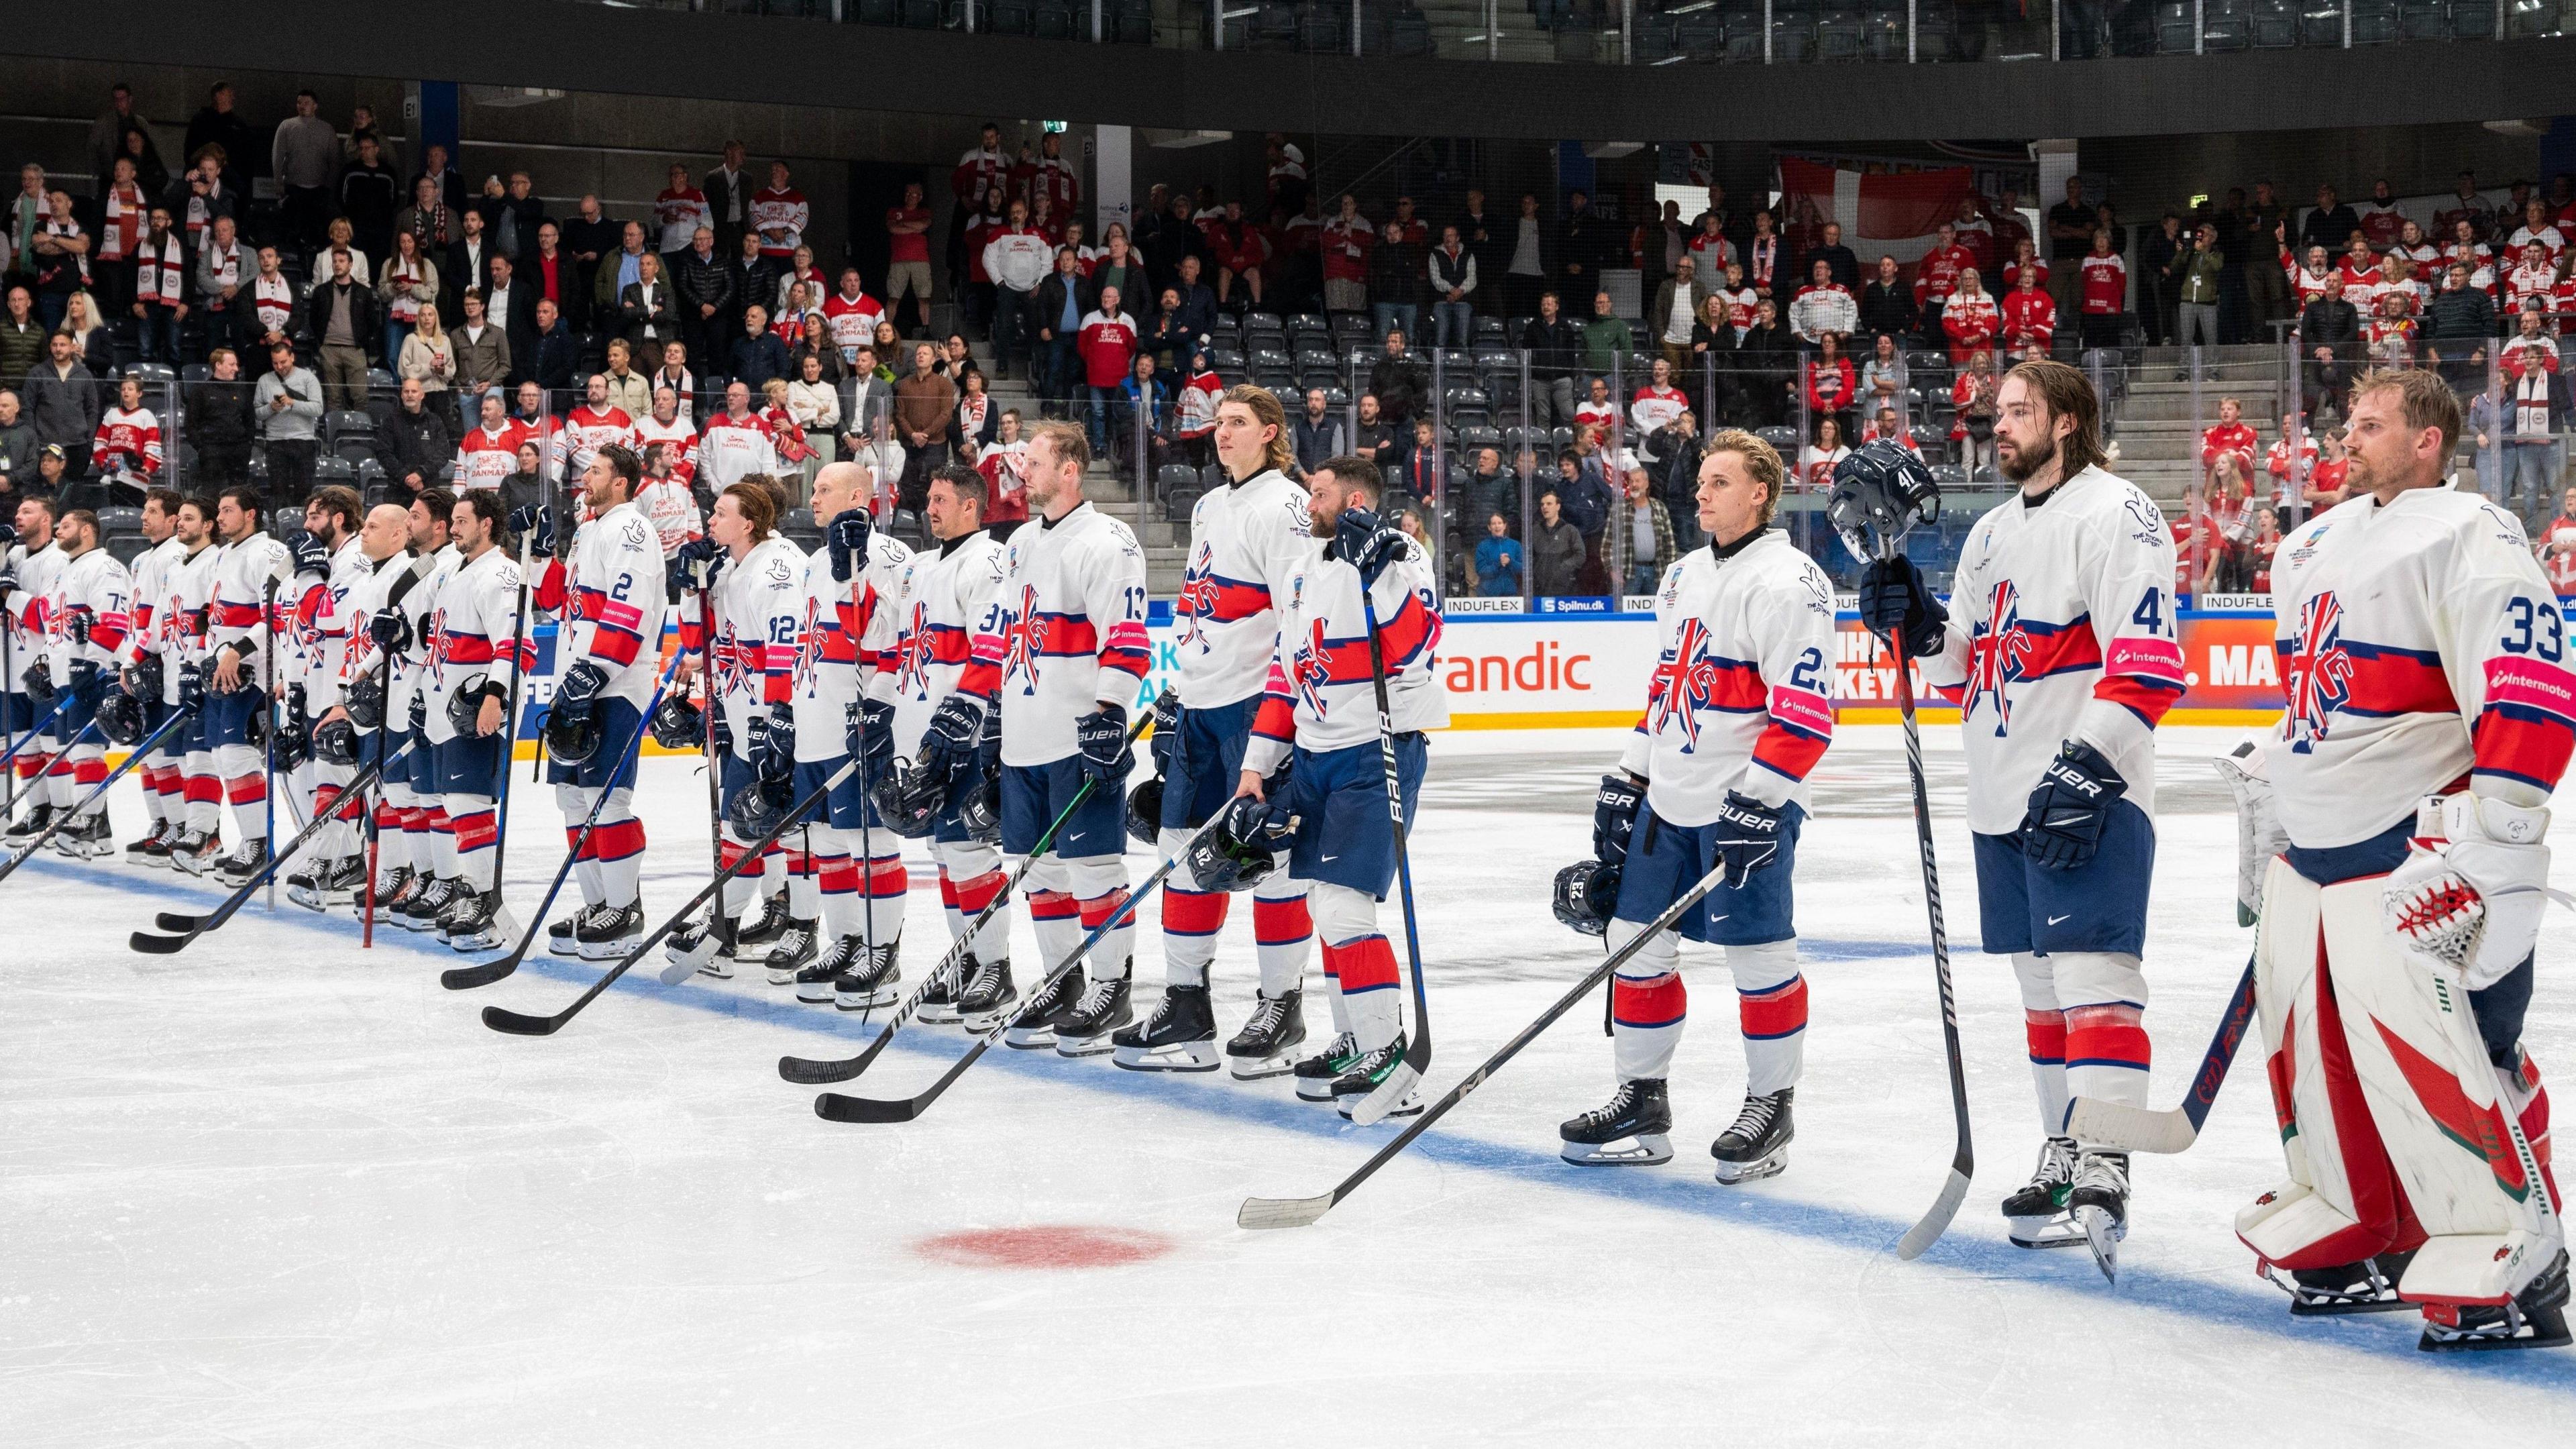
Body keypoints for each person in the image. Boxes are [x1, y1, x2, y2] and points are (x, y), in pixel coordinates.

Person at [2234, 367, 2573, 1348]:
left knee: (2463, 1054)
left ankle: (2519, 1252)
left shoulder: (2470, 532)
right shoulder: (2309, 546)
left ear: (2429, 440)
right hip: (2320, 846)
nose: (2349, 437)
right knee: (2324, 1058)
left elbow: (2526, 682)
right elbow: (2314, 704)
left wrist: (2504, 836)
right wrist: (2274, 786)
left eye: (2372, 424)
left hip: (2420, 846)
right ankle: (2360, 1225)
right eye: (2349, 420)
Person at [1860, 360, 2181, 1267]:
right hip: (2001, 795)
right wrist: (1916, 620)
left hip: (2088, 791)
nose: (1999, 426)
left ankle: (2104, 1163)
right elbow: (1959, 666)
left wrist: (2088, 766)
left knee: (2094, 984)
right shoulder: (1992, 532)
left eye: (2019, 411)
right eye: (1996, 412)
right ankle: (2064, 1148)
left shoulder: (2119, 515)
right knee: (2042, 996)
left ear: (2069, 421)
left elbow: (2149, 662)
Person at [1556, 429, 1833, 1177]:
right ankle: (1642, 1098)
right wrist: (1629, 775)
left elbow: (1806, 711)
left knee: (1759, 954)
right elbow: (1665, 687)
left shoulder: (1790, 581)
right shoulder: (1679, 576)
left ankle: (1771, 1106)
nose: (1701, 492)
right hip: (1669, 801)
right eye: (1702, 482)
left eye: (1719, 482)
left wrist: (1761, 801)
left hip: (1744, 804)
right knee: (1633, 946)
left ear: (1759, 493)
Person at [923, 421, 1146, 1029]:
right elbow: (1001, 641)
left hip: (1074, 736)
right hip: (1022, 737)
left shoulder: (1108, 539)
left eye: (1036, 462)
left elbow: (1126, 639)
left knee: (1095, 868)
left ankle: (1111, 986)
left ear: (1070, 469)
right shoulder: (1019, 542)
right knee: (1040, 872)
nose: (1024, 472)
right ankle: (1062, 981)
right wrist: (990, 719)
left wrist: (1111, 715)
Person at [862, 461, 1008, 1013]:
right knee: (946, 855)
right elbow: (892, 645)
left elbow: (993, 645)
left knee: (968, 854)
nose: (930, 508)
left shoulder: (989, 560)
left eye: (942, 500)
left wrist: (967, 708)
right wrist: (876, 708)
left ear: (971, 506)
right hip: (922, 737)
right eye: (930, 499)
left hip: (964, 734)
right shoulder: (917, 568)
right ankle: (968, 957)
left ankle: (997, 968)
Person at [659, 480, 806, 967]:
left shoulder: (779, 568)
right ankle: (724, 927)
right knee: (740, 827)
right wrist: (691, 582)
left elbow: (787, 652)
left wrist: (779, 718)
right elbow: (697, 640)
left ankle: (796, 927)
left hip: (776, 725)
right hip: (744, 722)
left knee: (788, 833)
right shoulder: (727, 568)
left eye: (720, 514)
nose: (709, 522)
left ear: (748, 523)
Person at [193, 488, 295, 883]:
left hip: (255, 672)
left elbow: (277, 615)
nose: (219, 518)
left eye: (227, 510)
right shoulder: (224, 553)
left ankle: (258, 843)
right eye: (217, 510)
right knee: (221, 756)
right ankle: (251, 840)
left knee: (237, 755)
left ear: (251, 514)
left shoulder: (266, 552)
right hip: (226, 668)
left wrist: (238, 650)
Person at [22, 503, 128, 856]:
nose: (58, 531)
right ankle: (100, 831)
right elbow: (48, 619)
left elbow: (114, 621)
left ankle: (88, 822)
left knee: (87, 749)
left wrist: (92, 663)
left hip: (91, 673)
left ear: (87, 531)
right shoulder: (65, 572)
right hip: (67, 674)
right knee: (74, 751)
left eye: (65, 525)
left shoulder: (103, 566)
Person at [0, 496, 65, 841]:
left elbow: (44, 616)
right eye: (18, 510)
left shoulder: (59, 559)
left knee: (52, 742)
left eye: (27, 511)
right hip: (11, 669)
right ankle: (39, 809)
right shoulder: (12, 555)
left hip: (44, 668)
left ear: (47, 520)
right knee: (25, 743)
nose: (18, 515)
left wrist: (9, 594)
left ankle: (61, 809)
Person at [1529, 490, 1583, 598]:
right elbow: (1528, 556)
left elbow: (1580, 555)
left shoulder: (1569, 530)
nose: (1545, 507)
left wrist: (1563, 568)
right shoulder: (1534, 531)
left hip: (1564, 588)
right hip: (1539, 588)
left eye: (1549, 504)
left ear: (1558, 507)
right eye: (1542, 505)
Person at [1472, 512, 1523, 598]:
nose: (1497, 526)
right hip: (1488, 596)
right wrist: (1498, 564)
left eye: (1500, 523)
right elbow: (1481, 571)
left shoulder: (1515, 545)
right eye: (1493, 524)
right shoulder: (1482, 546)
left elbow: (1523, 568)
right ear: (1489, 527)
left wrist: (1510, 562)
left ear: (1505, 526)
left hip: (1510, 596)